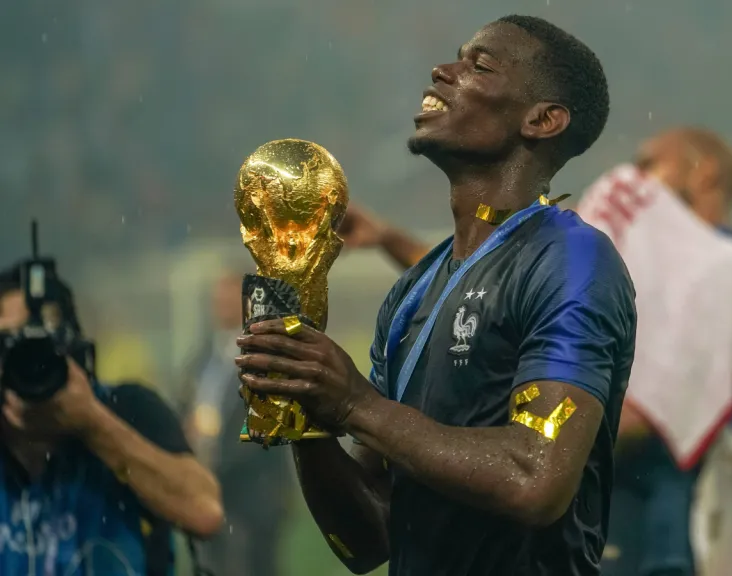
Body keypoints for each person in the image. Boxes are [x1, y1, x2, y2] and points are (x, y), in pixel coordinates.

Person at [235, 14, 636, 576]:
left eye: (479, 65)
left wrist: (355, 403)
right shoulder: (412, 291)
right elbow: (368, 539)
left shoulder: (570, 260)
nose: (442, 71)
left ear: (543, 120)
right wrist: (308, 408)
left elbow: (536, 480)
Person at [575, 127, 732, 576]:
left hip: (683, 491)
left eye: (651, 164)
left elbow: (686, 396)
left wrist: (598, 422)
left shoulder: (729, 264)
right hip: (604, 474)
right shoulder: (647, 256)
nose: (636, 180)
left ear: (705, 172)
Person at [0, 264, 223, 575]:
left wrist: (92, 422)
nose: (23, 359)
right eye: (6, 343)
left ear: (68, 342)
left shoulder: (125, 408)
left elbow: (203, 512)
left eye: (35, 340)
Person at [179, 272, 291, 576]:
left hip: (251, 497)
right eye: (218, 300)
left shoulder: (266, 356)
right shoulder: (201, 359)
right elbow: (184, 406)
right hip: (208, 495)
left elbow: (264, 428)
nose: (222, 306)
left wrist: (218, 459)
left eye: (229, 299)